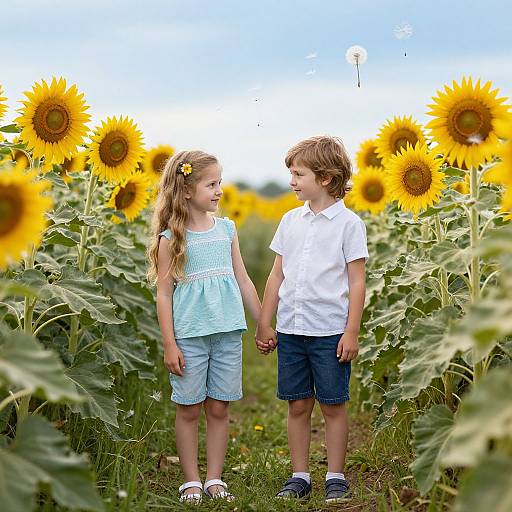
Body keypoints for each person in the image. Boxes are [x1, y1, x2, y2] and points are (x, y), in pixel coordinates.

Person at [256, 135, 368, 503]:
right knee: (298, 403)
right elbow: (276, 275)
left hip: (329, 331)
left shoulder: (349, 225)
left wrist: (351, 332)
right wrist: (264, 321)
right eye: (290, 173)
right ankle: (300, 475)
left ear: (325, 177)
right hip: (291, 329)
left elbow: (356, 281)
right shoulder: (290, 221)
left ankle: (335, 476)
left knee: (333, 405)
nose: (292, 181)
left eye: (298, 173)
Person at [147, 150, 261, 504]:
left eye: (219, 183)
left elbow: (243, 280)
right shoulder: (171, 238)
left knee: (220, 408)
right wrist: (170, 344)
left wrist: (264, 324)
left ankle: (214, 478)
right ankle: (191, 480)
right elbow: (164, 294)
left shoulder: (227, 229)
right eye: (211, 184)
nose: (218, 191)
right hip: (190, 337)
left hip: (227, 334)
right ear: (186, 190)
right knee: (189, 408)